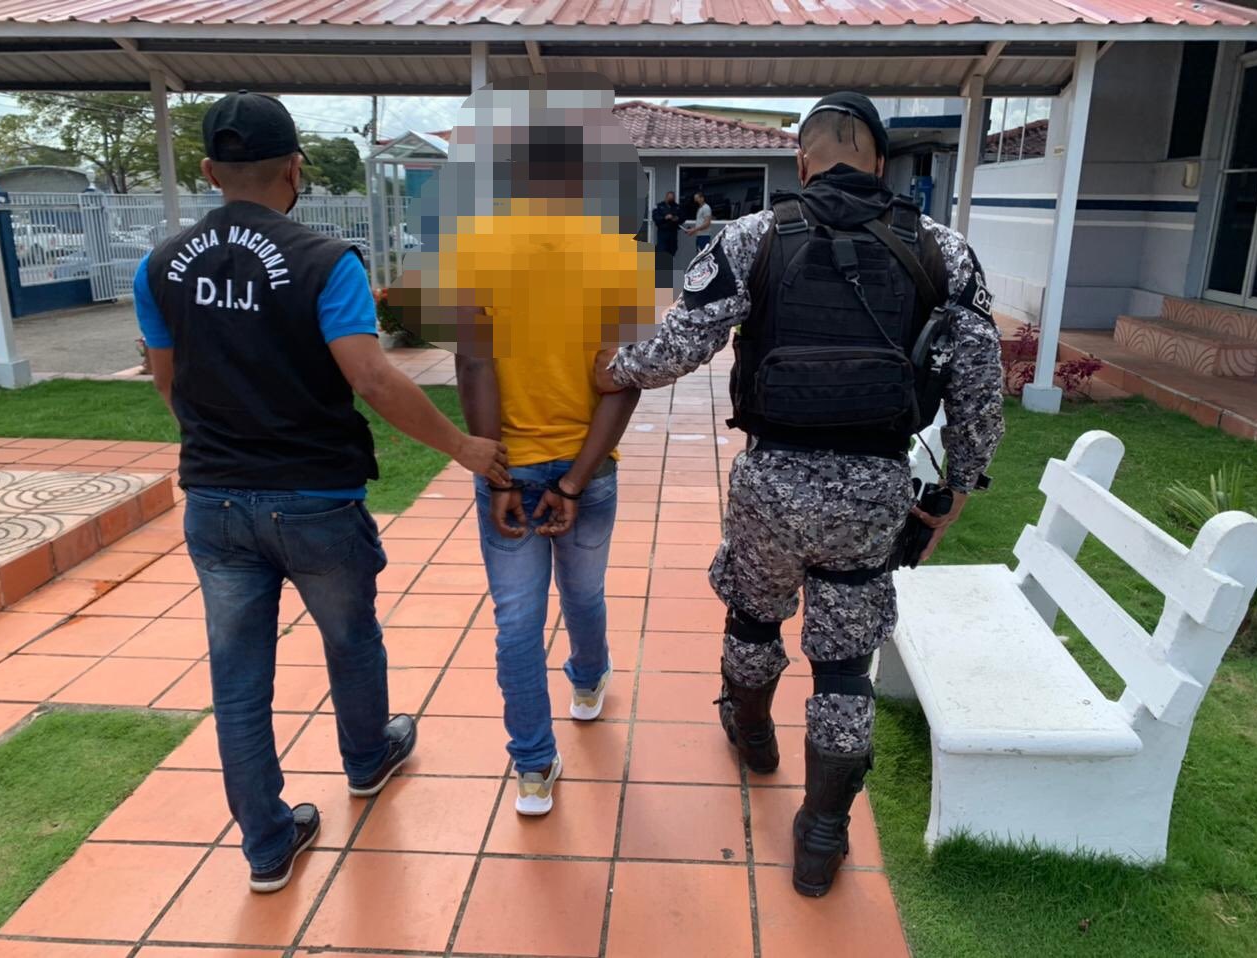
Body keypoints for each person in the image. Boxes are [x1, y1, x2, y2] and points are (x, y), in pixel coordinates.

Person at [596, 91, 1004, 897]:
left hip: (772, 481)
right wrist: (961, 479)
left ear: (803, 160)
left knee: (754, 613)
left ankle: (752, 733)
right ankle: (822, 830)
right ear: (880, 163)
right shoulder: (945, 250)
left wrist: (615, 370)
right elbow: (981, 385)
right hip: (873, 487)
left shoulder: (752, 237)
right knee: (844, 661)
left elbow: (682, 344)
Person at [132, 90, 509, 893]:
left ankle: (267, 846)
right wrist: (463, 447)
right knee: (350, 639)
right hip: (316, 498)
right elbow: (371, 376)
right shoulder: (325, 260)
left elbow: (169, 383)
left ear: (208, 171)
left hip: (216, 501)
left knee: (238, 679)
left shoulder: (157, 266)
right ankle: (367, 758)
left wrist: (225, 444)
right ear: (295, 169)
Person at [417, 76, 650, 816]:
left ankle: (532, 768)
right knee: (583, 591)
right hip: (590, 466)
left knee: (516, 620)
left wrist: (496, 476)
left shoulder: (468, 250)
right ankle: (587, 681)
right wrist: (575, 481)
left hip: (507, 465)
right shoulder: (622, 255)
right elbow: (624, 380)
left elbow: (472, 365)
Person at [652, 190, 683, 283]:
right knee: (661, 253)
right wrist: (665, 218)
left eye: (672, 198)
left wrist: (677, 218)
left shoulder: (677, 207)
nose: (671, 199)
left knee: (671, 253)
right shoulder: (659, 206)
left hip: (673, 234)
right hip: (663, 234)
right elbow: (655, 218)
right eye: (669, 198)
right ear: (666, 197)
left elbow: (683, 217)